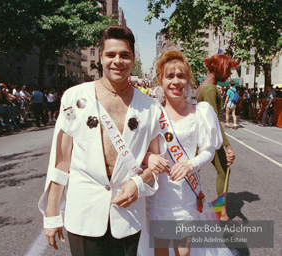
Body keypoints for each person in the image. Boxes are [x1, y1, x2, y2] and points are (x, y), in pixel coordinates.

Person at [38, 25, 163, 256]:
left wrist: (137, 183)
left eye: (125, 55)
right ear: (101, 58)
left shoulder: (151, 107)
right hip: (84, 213)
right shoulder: (75, 97)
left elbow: (154, 164)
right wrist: (52, 213)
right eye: (111, 54)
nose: (118, 61)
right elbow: (61, 162)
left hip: (127, 217)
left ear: (133, 59)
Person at [140, 49, 233, 256]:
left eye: (181, 76)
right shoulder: (151, 113)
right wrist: (149, 157)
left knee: (184, 252)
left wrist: (190, 164)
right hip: (158, 196)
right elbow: (138, 151)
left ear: (188, 80)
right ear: (160, 81)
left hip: (186, 196)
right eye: (169, 76)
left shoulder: (201, 112)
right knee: (161, 250)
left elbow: (209, 150)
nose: (176, 81)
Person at [197, 54, 238, 220]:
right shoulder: (210, 89)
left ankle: (219, 210)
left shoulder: (205, 86)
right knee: (224, 170)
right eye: (228, 70)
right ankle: (221, 212)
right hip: (209, 138)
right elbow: (213, 121)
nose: (229, 75)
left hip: (204, 136)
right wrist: (228, 147)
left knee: (194, 171)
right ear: (220, 67)